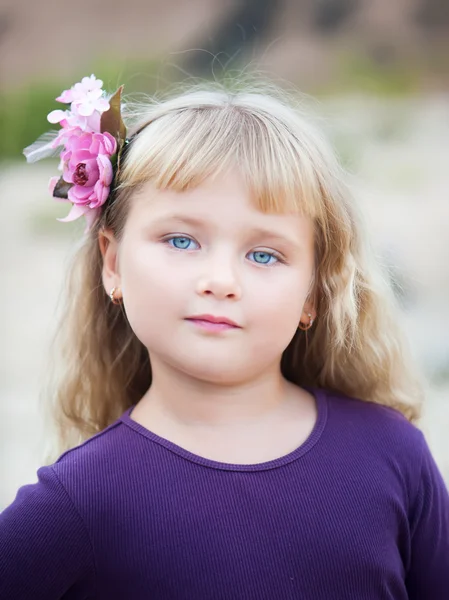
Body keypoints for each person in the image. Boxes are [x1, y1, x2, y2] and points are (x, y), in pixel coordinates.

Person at [1, 74, 448, 600]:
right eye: (182, 240)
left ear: (312, 294)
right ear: (114, 262)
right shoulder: (79, 501)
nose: (220, 280)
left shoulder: (392, 454)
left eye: (264, 254)